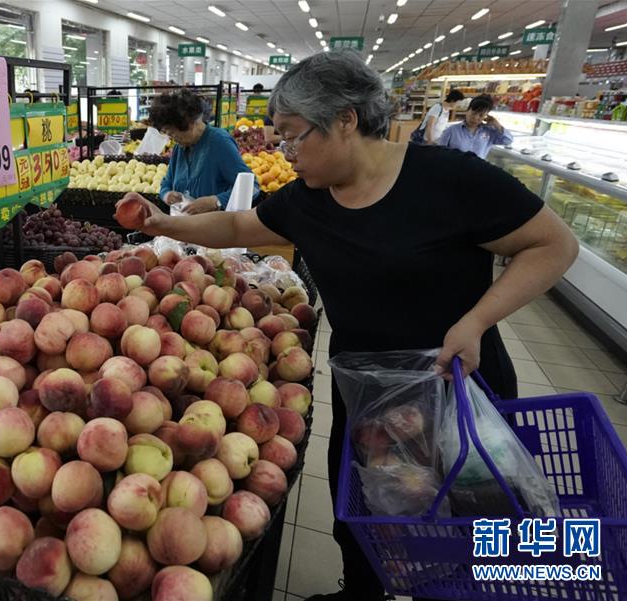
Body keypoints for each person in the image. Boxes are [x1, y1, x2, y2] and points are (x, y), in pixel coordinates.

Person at [116, 51, 578, 601]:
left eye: (293, 136)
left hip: (456, 384)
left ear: (345, 119)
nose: (286, 152)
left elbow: (554, 245)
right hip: (368, 392)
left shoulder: (450, 178)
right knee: (362, 514)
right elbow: (243, 221)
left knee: (474, 520)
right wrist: (164, 221)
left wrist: (477, 320)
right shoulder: (309, 199)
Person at [150, 88, 258, 215]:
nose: (173, 139)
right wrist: (167, 194)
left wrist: (216, 201)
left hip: (214, 228)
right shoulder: (180, 148)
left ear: (190, 124)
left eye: (173, 133)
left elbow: (252, 188)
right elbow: (166, 182)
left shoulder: (219, 142)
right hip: (184, 226)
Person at [438, 94, 513, 159]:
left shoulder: (489, 132)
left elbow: (508, 140)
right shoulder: (451, 131)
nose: (476, 118)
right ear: (467, 111)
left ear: (486, 116)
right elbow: (439, 152)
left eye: (481, 115)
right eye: (473, 113)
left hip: (478, 173)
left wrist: (497, 125)